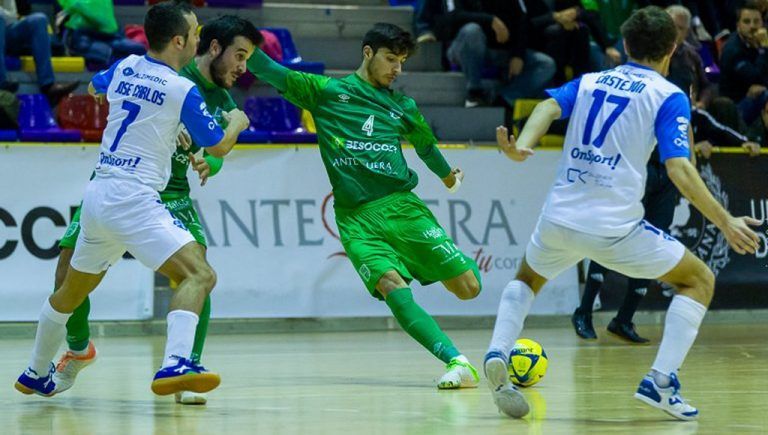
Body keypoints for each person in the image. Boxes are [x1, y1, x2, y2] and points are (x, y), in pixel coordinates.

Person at [484, 6, 761, 420]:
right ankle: (661, 382)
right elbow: (679, 168)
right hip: (614, 229)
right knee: (699, 280)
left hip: (558, 218)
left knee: (526, 279)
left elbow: (546, 107)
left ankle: (498, 350)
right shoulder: (667, 95)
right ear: (672, 49)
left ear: (626, 44)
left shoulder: (590, 80)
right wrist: (725, 221)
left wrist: (523, 143)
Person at [14, 2, 250, 398]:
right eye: (194, 34)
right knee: (200, 275)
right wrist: (238, 123)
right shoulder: (182, 89)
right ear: (178, 41)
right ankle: (177, 362)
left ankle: (36, 371)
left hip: (99, 195)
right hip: (134, 199)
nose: (198, 39)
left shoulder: (125, 66)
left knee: (70, 291)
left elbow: (95, 86)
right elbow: (218, 147)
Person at [247, 22, 483, 389]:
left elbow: (425, 146)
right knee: (390, 285)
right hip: (355, 219)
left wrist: (447, 176)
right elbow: (270, 70)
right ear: (368, 52)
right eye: (390, 59)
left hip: (402, 208)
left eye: (402, 62)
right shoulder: (327, 92)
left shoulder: (402, 106)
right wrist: (241, 39)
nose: (397, 69)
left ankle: (454, 272)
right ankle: (457, 361)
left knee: (468, 288)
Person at [436, 0, 556, 108]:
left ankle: (504, 99)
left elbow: (522, 20)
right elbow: (452, 16)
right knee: (472, 31)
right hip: (463, 48)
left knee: (545, 64)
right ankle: (474, 92)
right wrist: (491, 20)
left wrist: (518, 55)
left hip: (498, 51)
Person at [0, 0, 79, 105]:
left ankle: (48, 86)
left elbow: (12, 16)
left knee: (39, 19)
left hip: (8, 32)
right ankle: (2, 82)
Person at [57, 0, 148, 69]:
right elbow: (76, 5)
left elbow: (108, 21)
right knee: (108, 54)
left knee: (139, 50)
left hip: (110, 35)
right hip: (83, 35)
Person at [719, 0, 768, 125]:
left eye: (756, 21)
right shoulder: (732, 49)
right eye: (746, 22)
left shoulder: (759, 41)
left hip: (759, 96)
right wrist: (763, 49)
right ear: (738, 25)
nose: (752, 26)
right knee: (762, 94)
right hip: (737, 106)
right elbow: (755, 77)